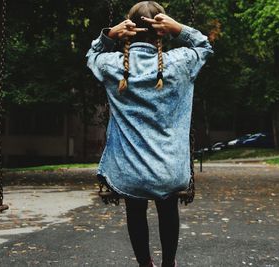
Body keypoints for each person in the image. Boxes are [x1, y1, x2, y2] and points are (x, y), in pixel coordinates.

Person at [86, 1, 213, 266]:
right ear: (162, 30)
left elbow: (91, 56)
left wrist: (109, 35)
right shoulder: (180, 63)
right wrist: (179, 29)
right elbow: (203, 46)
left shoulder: (112, 66)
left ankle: (145, 264)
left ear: (128, 30)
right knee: (168, 209)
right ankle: (169, 264)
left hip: (129, 173)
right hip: (169, 172)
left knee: (135, 209)